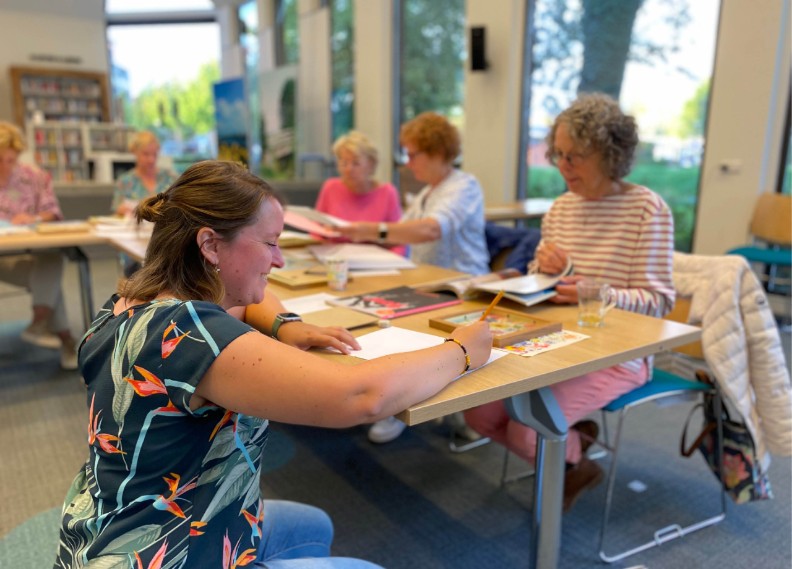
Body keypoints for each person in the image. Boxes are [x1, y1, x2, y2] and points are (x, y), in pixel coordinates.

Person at [54, 160, 491, 568]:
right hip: (165, 552)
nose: (279, 260)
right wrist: (462, 350)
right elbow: (361, 396)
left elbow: (248, 305)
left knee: (314, 526)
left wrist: (284, 324)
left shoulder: (127, 305)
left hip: (104, 524)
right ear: (209, 244)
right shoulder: (192, 336)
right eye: (270, 243)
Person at [464, 93, 676, 512]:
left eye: (575, 156)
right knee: (478, 415)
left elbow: (659, 301)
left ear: (610, 153)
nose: (562, 166)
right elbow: (549, 286)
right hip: (556, 340)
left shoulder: (646, 210)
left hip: (620, 353)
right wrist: (546, 272)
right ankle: (574, 448)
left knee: (528, 432)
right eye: (557, 154)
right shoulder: (560, 208)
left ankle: (572, 461)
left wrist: (589, 288)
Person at [336, 112, 490, 443]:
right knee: (381, 319)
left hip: (462, 286)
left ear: (437, 152)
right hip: (431, 284)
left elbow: (430, 229)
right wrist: (343, 239)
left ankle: (404, 403)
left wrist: (372, 229)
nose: (408, 163)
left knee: (401, 328)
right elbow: (401, 235)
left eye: (413, 154)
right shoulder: (426, 193)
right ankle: (401, 399)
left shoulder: (464, 186)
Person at [0, 121, 77, 370]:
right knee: (50, 279)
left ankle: (39, 322)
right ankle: (65, 340)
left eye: (9, 159)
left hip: (33, 253)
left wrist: (33, 218)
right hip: (3, 260)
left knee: (52, 259)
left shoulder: (34, 177)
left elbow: (52, 211)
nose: (4, 166)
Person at [316, 130, 402, 227]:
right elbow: (317, 231)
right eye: (344, 163)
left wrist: (375, 233)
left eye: (356, 163)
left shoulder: (387, 193)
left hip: (374, 242)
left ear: (371, 164)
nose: (348, 169)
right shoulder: (330, 188)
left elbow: (396, 236)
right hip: (334, 242)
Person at [111, 130, 178, 217]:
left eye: (155, 154)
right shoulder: (125, 181)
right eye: (146, 154)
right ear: (135, 152)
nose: (151, 160)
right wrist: (123, 210)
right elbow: (117, 211)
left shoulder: (170, 178)